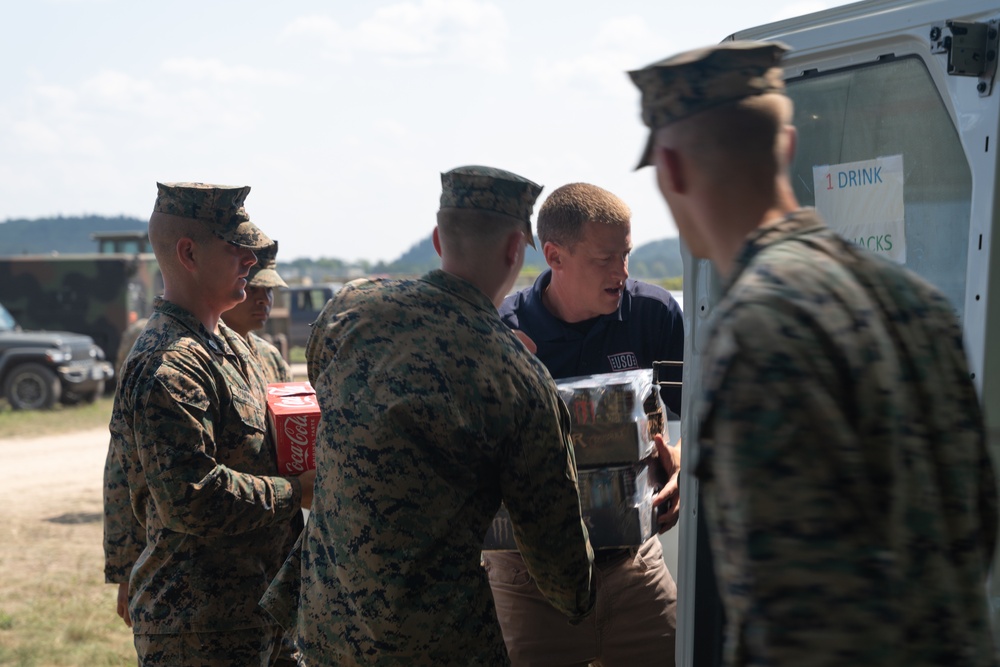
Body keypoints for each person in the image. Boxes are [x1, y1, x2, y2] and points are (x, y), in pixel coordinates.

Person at [630, 41, 999, 665]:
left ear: (671, 169)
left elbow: (794, 618)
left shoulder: (754, 326)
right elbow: (976, 523)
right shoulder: (911, 297)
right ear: (789, 147)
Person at [284, 166, 596, 665]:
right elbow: (561, 571)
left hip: (327, 633)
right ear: (516, 250)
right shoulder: (519, 379)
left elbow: (329, 387)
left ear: (437, 238)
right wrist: (586, 600)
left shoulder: (351, 308)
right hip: (439, 647)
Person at [103, 182, 315, 667]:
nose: (250, 260)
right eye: (236, 248)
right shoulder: (169, 364)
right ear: (188, 253)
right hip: (199, 628)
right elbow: (191, 498)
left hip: (265, 613)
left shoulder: (233, 346)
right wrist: (295, 491)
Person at [487, 181, 684, 666]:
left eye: (626, 255)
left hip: (634, 569)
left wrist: (683, 466)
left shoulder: (655, 314)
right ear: (554, 255)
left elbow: (703, 422)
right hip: (529, 582)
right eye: (604, 259)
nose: (621, 272)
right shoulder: (500, 330)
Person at [220, 240, 293, 383]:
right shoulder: (204, 354)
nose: (264, 299)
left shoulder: (270, 357)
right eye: (251, 288)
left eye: (269, 289)